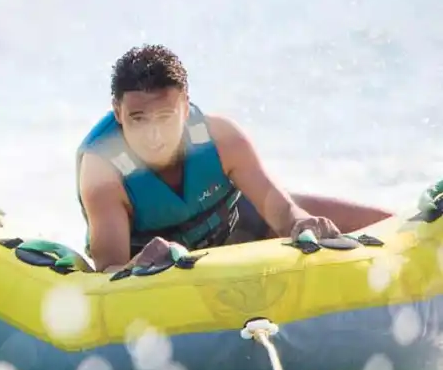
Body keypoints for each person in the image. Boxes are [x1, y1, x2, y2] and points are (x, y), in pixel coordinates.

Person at [77, 44, 391, 273]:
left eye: (165, 116)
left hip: (234, 228)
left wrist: (300, 222)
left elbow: (281, 212)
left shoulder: (221, 137)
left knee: (384, 222)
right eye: (138, 119)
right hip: (154, 260)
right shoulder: (102, 171)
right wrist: (138, 267)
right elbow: (109, 272)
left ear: (186, 107)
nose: (154, 135)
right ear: (118, 113)